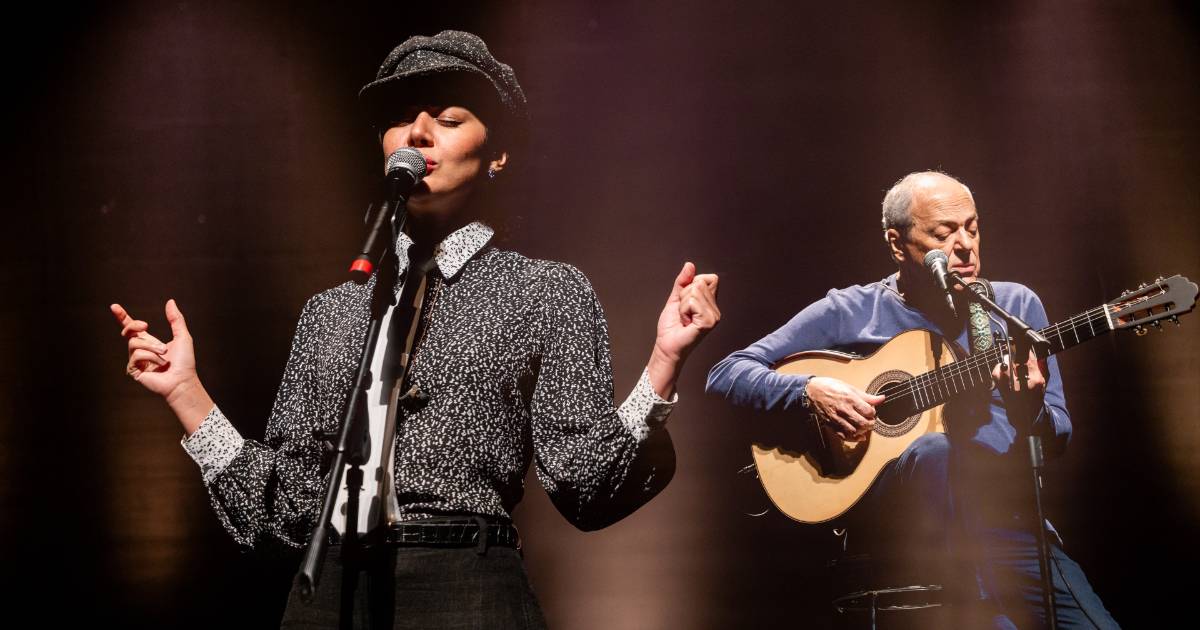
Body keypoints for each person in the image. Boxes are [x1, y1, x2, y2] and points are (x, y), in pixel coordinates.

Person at [111, 31, 720, 629]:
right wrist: (187, 395)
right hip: (329, 595)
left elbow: (588, 485)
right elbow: (289, 511)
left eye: (450, 119)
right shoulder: (332, 311)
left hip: (466, 585)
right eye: (402, 119)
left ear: (498, 153)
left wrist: (664, 363)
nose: (419, 133)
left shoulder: (546, 291)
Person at [706, 171, 1117, 628]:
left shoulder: (1014, 311)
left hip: (1011, 529)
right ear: (898, 245)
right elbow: (728, 373)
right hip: (906, 535)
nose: (964, 245)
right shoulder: (853, 311)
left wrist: (1031, 412)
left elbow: (1057, 435)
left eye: (972, 228)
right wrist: (809, 390)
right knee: (935, 449)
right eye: (944, 233)